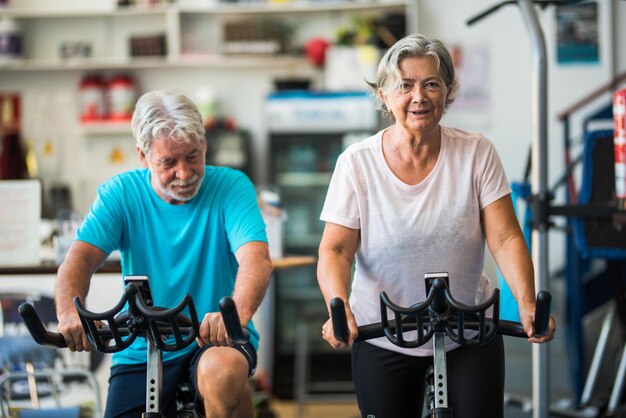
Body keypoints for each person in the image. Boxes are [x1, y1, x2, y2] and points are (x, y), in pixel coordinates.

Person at [317, 33, 556, 418]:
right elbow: (336, 249)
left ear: (447, 92)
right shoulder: (356, 163)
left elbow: (506, 236)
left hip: (467, 329)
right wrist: (338, 306)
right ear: (383, 95)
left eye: (432, 84)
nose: (419, 96)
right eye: (405, 85)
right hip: (384, 334)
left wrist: (527, 301)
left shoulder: (477, 152)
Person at [55, 89, 274, 418]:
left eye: (192, 157)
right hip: (143, 346)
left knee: (222, 372)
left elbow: (256, 259)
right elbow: (80, 259)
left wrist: (236, 317)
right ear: (144, 157)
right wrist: (69, 314)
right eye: (169, 162)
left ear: (204, 145)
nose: (184, 173)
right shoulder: (121, 193)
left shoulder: (232, 186)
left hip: (213, 336)